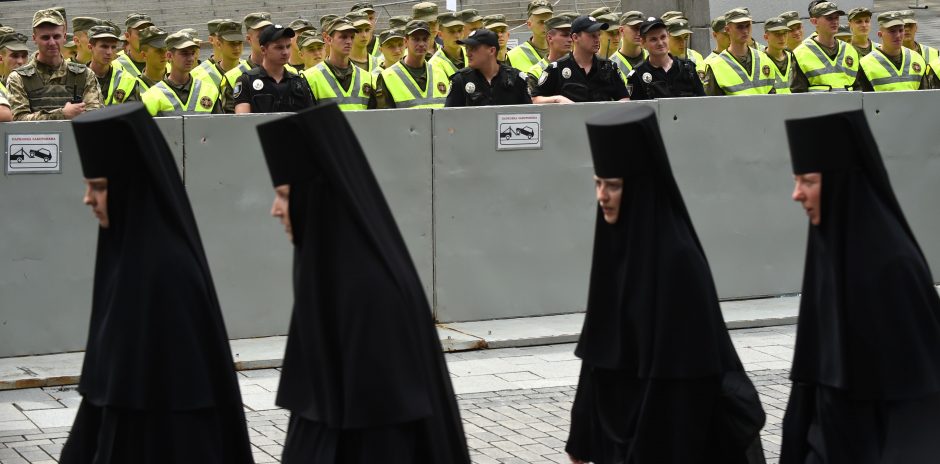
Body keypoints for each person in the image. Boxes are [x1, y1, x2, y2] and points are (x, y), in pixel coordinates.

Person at [256, 103, 471, 464]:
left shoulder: (371, 295)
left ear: (316, 197)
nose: (275, 210)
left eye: (284, 195)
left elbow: (383, 434)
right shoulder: (328, 273)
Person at [566, 104, 766, 464]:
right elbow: (600, 342)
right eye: (598, 184)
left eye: (613, 186)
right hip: (625, 434)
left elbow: (682, 384)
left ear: (640, 188)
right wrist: (582, 433)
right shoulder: (615, 245)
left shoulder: (678, 260)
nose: (602, 197)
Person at [58, 103, 254, 464]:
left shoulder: (167, 272)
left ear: (129, 187)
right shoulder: (123, 252)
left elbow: (183, 409)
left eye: (98, 187)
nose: (88, 199)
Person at [780, 109, 940, 464]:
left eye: (808, 180)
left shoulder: (894, 269)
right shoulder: (826, 254)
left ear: (840, 182)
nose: (797, 194)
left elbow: (917, 405)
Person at [7, 9, 102, 121]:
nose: (52, 43)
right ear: (34, 39)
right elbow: (18, 120)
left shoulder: (84, 74)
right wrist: (62, 114)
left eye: (56, 36)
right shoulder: (18, 78)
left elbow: (96, 116)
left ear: (64, 37)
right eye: (45, 37)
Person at [531, 15, 629, 103]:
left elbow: (624, 98)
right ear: (575, 37)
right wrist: (557, 99)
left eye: (598, 35)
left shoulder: (609, 68)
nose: (597, 40)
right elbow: (535, 99)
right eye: (592, 35)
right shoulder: (557, 68)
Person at [234, 25, 313, 113]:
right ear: (263, 50)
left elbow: (309, 119)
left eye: (288, 46)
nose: (285, 52)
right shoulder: (247, 81)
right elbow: (243, 121)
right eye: (279, 47)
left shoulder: (299, 82)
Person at [445, 28, 531, 107]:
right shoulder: (460, 80)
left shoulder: (516, 79)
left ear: (492, 50)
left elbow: (530, 116)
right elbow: (448, 117)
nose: (468, 54)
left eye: (473, 48)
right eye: (467, 49)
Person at [141, 31, 220, 116]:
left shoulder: (210, 91)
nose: (191, 58)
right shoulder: (152, 96)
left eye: (192, 53)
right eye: (184, 53)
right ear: (169, 56)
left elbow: (221, 126)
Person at [374, 20, 448, 109]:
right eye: (416, 39)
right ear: (406, 41)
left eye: (425, 39)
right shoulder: (387, 77)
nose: (421, 44)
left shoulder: (440, 73)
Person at [302, 18, 373, 111]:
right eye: (343, 37)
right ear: (328, 39)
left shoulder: (367, 77)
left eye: (352, 37)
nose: (349, 41)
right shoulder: (310, 78)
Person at [626, 18, 705, 100]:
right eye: (653, 39)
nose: (660, 43)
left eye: (663, 37)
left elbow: (704, 102)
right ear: (642, 43)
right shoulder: (637, 75)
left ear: (668, 37)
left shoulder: (688, 69)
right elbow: (636, 110)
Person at [790, 2, 859, 92]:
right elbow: (798, 93)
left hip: (850, 106)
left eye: (836, 17)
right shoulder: (801, 53)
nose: (835, 21)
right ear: (814, 21)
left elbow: (858, 87)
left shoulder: (850, 50)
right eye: (829, 18)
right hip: (817, 106)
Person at [704, 8, 776, 96]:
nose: (745, 31)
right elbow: (712, 104)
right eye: (739, 27)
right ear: (727, 30)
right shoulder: (716, 66)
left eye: (747, 26)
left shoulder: (764, 58)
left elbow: (773, 98)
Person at [857, 11, 927, 92]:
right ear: (880, 35)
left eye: (901, 30)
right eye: (892, 31)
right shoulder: (866, 64)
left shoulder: (917, 59)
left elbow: (925, 97)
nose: (898, 36)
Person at [87, 25, 140, 105]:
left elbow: (133, 114)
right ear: (90, 47)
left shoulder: (127, 80)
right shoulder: (76, 78)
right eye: (104, 46)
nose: (109, 52)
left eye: (113, 47)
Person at [192, 20, 244, 92]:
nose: (237, 48)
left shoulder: (248, 69)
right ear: (218, 43)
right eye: (232, 43)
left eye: (240, 43)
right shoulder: (200, 75)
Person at [525, 14, 572, 90]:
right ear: (550, 38)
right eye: (565, 35)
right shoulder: (536, 72)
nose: (570, 40)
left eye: (571, 35)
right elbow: (532, 100)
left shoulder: (580, 66)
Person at [508, 0, 553, 72]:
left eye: (549, 21)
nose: (546, 26)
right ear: (529, 24)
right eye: (541, 22)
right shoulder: (513, 55)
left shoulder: (564, 51)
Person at [609, 11, 648, 82]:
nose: (639, 33)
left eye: (642, 29)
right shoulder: (611, 64)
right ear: (621, 30)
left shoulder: (652, 56)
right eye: (635, 28)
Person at [665, 17, 706, 81]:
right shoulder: (658, 61)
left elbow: (702, 84)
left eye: (685, 38)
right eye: (677, 38)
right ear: (666, 37)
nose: (682, 42)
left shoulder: (696, 57)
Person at [114, 13, 154, 79]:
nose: (145, 37)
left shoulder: (165, 63)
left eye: (148, 32)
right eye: (140, 33)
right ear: (127, 36)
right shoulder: (115, 67)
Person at [429, 12, 467, 79]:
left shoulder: (473, 55)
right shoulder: (433, 65)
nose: (457, 36)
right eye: (451, 31)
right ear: (440, 35)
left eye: (460, 30)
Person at [763, 17, 795, 94]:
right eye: (777, 34)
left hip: (795, 105)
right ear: (766, 37)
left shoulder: (794, 58)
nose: (782, 38)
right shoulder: (760, 60)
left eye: (785, 33)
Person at [136, 26, 169, 90]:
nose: (165, 54)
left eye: (166, 49)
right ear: (144, 55)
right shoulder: (134, 88)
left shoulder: (179, 82)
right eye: (159, 50)